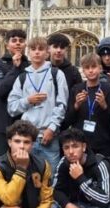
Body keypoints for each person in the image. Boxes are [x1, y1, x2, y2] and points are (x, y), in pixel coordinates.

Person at [7, 36, 69, 170]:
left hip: (49, 136)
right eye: (33, 49)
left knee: (51, 179)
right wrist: (28, 101)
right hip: (27, 138)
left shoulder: (57, 74)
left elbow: (62, 105)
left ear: (47, 53)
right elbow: (11, 107)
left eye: (41, 49)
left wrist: (52, 128)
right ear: (28, 53)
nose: (37, 52)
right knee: (25, 177)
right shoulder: (22, 77)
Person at [64, 53, 110, 158]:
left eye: (94, 67)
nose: (91, 70)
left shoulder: (109, 89)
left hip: (104, 143)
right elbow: (67, 121)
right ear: (83, 70)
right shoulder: (76, 89)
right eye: (87, 68)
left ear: (100, 68)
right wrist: (76, 105)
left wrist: (104, 106)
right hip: (80, 143)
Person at [0, 29, 29, 161]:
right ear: (7, 45)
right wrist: (15, 69)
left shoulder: (30, 66)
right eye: (14, 41)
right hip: (1, 125)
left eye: (21, 41)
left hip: (23, 123)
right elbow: (0, 89)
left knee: (21, 163)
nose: (18, 44)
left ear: (25, 44)